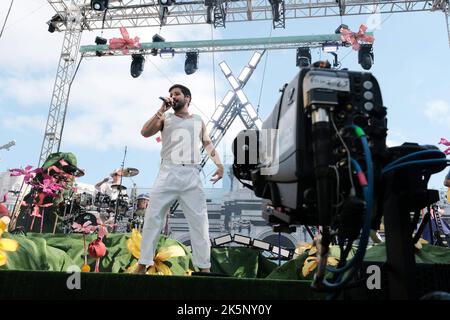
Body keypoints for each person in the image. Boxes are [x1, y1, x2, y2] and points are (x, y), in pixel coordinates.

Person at [134, 84, 224, 274]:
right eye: (170, 94)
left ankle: (204, 268)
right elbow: (145, 132)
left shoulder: (198, 120)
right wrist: (161, 109)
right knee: (153, 217)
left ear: (187, 98)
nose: (172, 96)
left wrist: (219, 164)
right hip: (168, 171)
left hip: (191, 174)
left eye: (176, 94)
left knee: (200, 223)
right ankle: (143, 263)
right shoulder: (165, 117)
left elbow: (207, 143)